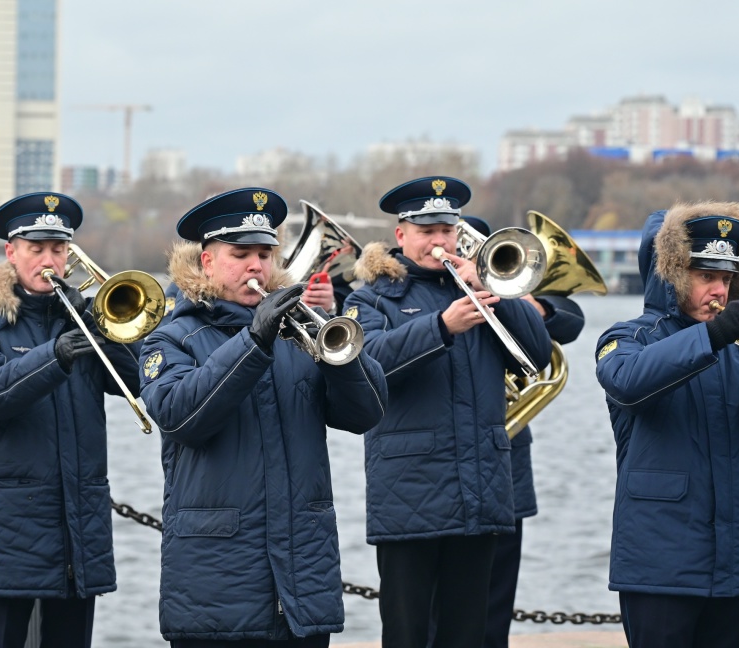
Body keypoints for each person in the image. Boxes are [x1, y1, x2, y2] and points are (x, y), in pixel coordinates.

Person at [138, 187, 387, 647]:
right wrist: (253, 342)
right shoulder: (171, 338)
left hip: (302, 584)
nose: (256, 266)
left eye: (264, 254)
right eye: (240, 255)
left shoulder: (298, 331)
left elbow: (366, 412)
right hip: (216, 592)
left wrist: (338, 350)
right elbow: (180, 418)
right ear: (207, 262)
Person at [342, 177, 552, 648]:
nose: (438, 241)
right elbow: (367, 365)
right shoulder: (371, 297)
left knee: (467, 634)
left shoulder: (482, 288)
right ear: (401, 235)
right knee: (407, 633)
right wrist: (440, 326)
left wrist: (494, 289)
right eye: (426, 231)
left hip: (480, 492)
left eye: (446, 230)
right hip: (408, 496)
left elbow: (537, 353)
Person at [595, 202, 739, 648]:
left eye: (728, 279)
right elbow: (627, 383)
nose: (719, 290)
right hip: (661, 570)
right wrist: (713, 336)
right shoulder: (629, 337)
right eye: (706, 276)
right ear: (673, 275)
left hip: (738, 569)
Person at [0, 192, 141, 648]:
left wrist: (103, 325)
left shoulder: (85, 319)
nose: (48, 260)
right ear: (11, 252)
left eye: (58, 249)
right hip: (8, 542)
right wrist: (53, 357)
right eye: (36, 249)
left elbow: (142, 383)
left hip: (80, 536)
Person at [456, 216, 587, 648]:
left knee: (494, 610)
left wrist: (529, 305)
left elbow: (571, 319)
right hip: (441, 475)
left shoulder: (508, 292)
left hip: (504, 463)